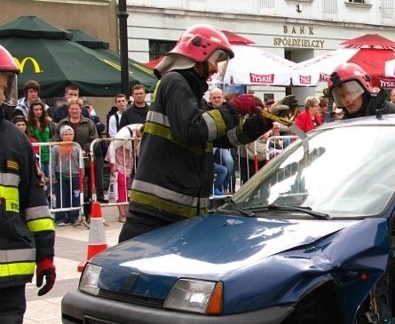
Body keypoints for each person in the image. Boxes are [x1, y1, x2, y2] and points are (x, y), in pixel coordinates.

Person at [119, 24, 272, 242]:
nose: (214, 69)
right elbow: (193, 128)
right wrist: (234, 108)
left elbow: (222, 136)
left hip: (177, 211)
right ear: (199, 52)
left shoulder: (193, 95)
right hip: (156, 212)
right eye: (215, 59)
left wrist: (262, 121)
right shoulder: (175, 82)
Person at [0, 44, 56, 324]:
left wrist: (47, 254)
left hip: (8, 275)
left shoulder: (15, 139)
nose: (3, 91)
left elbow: (35, 203)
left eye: (4, 84)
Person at [50, 125, 83, 225]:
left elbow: (81, 163)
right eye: (66, 134)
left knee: (75, 198)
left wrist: (82, 175)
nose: (68, 136)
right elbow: (52, 163)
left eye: (70, 134)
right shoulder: (56, 148)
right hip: (61, 176)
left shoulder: (77, 147)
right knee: (61, 198)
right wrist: (52, 176)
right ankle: (60, 218)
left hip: (75, 176)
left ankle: (74, 217)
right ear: (61, 136)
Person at [26, 100, 54, 180]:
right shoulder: (28, 123)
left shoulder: (48, 122)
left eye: (40, 109)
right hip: (36, 155)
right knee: (39, 179)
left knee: (49, 180)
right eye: (36, 110)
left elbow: (53, 135)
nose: (39, 112)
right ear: (32, 111)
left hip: (48, 154)